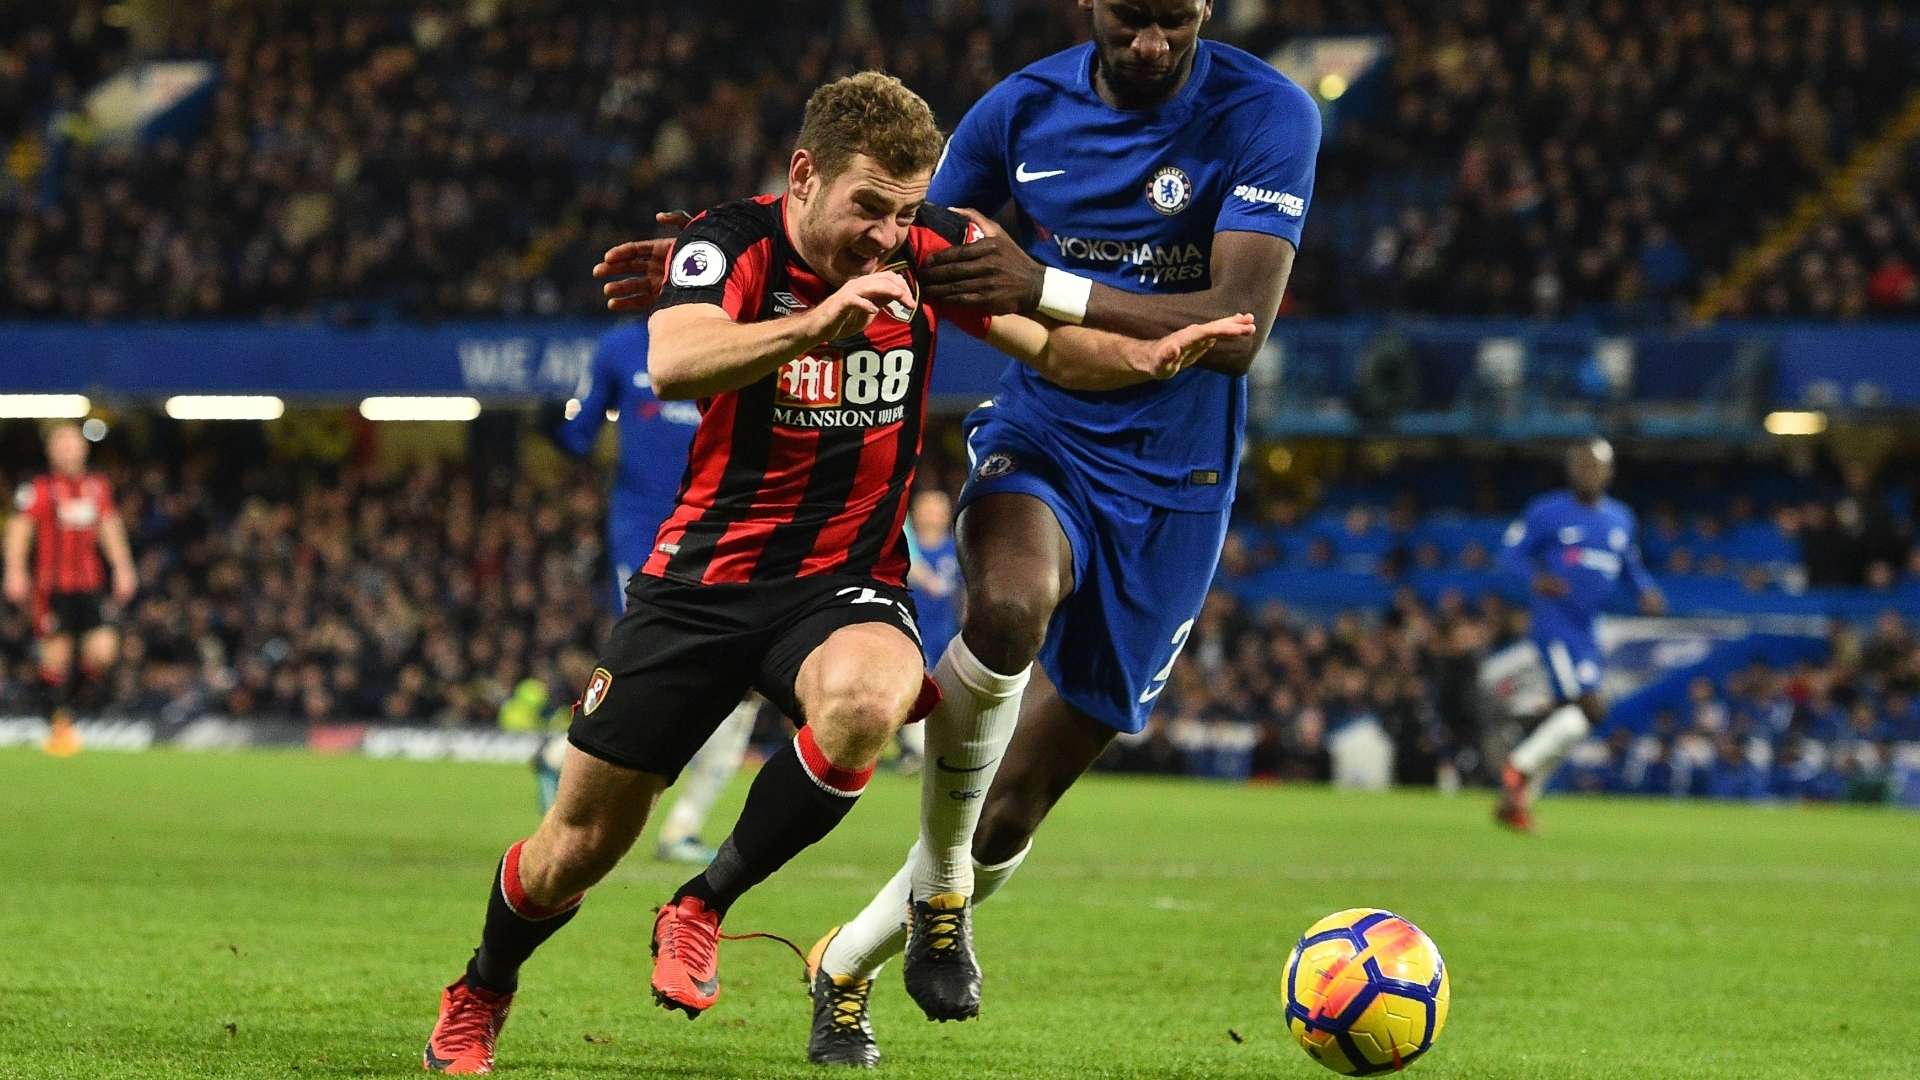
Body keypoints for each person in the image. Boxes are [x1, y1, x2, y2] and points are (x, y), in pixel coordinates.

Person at [423, 70, 1251, 1075]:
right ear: (805, 175)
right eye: (869, 206)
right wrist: (819, 327)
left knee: (874, 697)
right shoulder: (725, 245)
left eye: (905, 211)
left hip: (840, 584)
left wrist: (1156, 357)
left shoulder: (928, 250)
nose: (886, 236)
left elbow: (1056, 348)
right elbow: (678, 363)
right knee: (575, 845)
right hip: (701, 578)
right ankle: (483, 986)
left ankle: (702, 903)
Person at [595, 2, 1317, 1066]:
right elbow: (885, 232)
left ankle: (845, 961)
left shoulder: (1268, 113)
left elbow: (1236, 329)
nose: (1153, 42)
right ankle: (942, 897)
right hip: (1048, 430)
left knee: (1016, 810)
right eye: (1131, 16)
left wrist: (1047, 284)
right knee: (1008, 607)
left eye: (1175, 18)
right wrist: (724, 259)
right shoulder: (1022, 111)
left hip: (1180, 481)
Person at [549, 321, 760, 861]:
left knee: (742, 686)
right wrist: (556, 422)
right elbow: (579, 435)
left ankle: (671, 821)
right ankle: (568, 761)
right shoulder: (619, 346)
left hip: (726, 530)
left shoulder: (739, 329)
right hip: (644, 534)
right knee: (665, 665)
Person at [1493, 439, 1665, 831]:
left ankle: (1516, 800)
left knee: (1574, 721)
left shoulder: (1621, 519)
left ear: (1610, 472)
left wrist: (1645, 591)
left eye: (1596, 466)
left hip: (1588, 630)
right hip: (1556, 625)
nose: (1588, 472)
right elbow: (1509, 554)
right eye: (1581, 465)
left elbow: (1630, 565)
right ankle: (1518, 769)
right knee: (1589, 707)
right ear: (1570, 470)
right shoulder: (1547, 512)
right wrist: (1537, 579)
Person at [3, 421, 137, 757]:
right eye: (59, 443)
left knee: (103, 650)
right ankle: (56, 723)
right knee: (56, 657)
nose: (66, 449)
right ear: (50, 451)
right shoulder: (37, 488)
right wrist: (15, 570)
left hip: (89, 585)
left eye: (71, 442)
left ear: (84, 448)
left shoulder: (97, 486)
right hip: (52, 588)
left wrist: (122, 567)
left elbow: (109, 526)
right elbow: (20, 529)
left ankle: (68, 713)